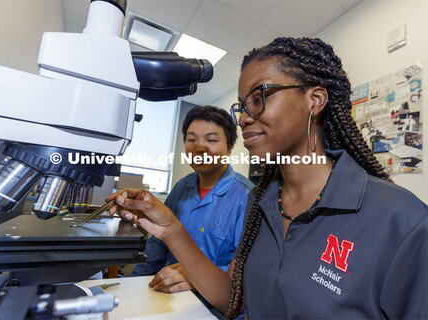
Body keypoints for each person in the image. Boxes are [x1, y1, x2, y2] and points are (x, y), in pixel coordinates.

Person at [107, 38, 427, 319]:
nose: (245, 118)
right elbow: (232, 297)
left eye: (259, 98)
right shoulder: (260, 201)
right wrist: (171, 229)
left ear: (314, 100)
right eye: (242, 106)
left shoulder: (400, 219)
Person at [131, 106, 254, 295]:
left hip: (217, 309)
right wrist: (133, 286)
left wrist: (200, 277)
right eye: (191, 140)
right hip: (171, 299)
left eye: (211, 140)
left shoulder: (247, 197)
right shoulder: (181, 187)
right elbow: (159, 244)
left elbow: (247, 272)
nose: (199, 148)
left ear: (229, 148)